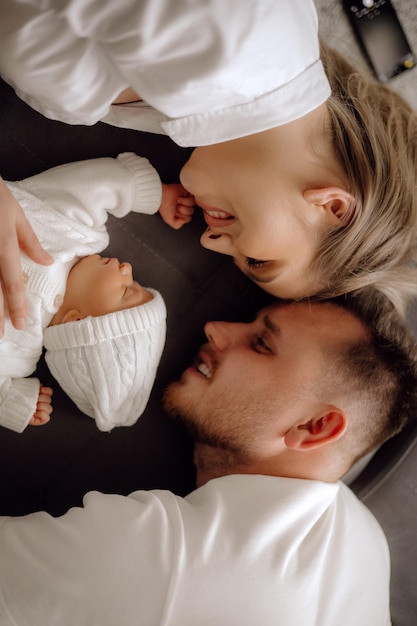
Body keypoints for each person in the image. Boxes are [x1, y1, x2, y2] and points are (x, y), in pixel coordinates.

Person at [1, 291, 416, 625]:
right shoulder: (365, 544)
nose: (216, 328)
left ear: (314, 427)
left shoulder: (167, 554)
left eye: (261, 345)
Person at [0, 0, 417, 332]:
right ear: (332, 206)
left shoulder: (196, 110)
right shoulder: (232, 28)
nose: (209, 241)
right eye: (259, 262)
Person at [0, 152, 194, 433]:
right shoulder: (75, 232)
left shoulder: (20, 349)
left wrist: (15, 402)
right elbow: (95, 184)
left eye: (127, 289)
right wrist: (156, 195)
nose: (127, 267)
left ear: (77, 322)